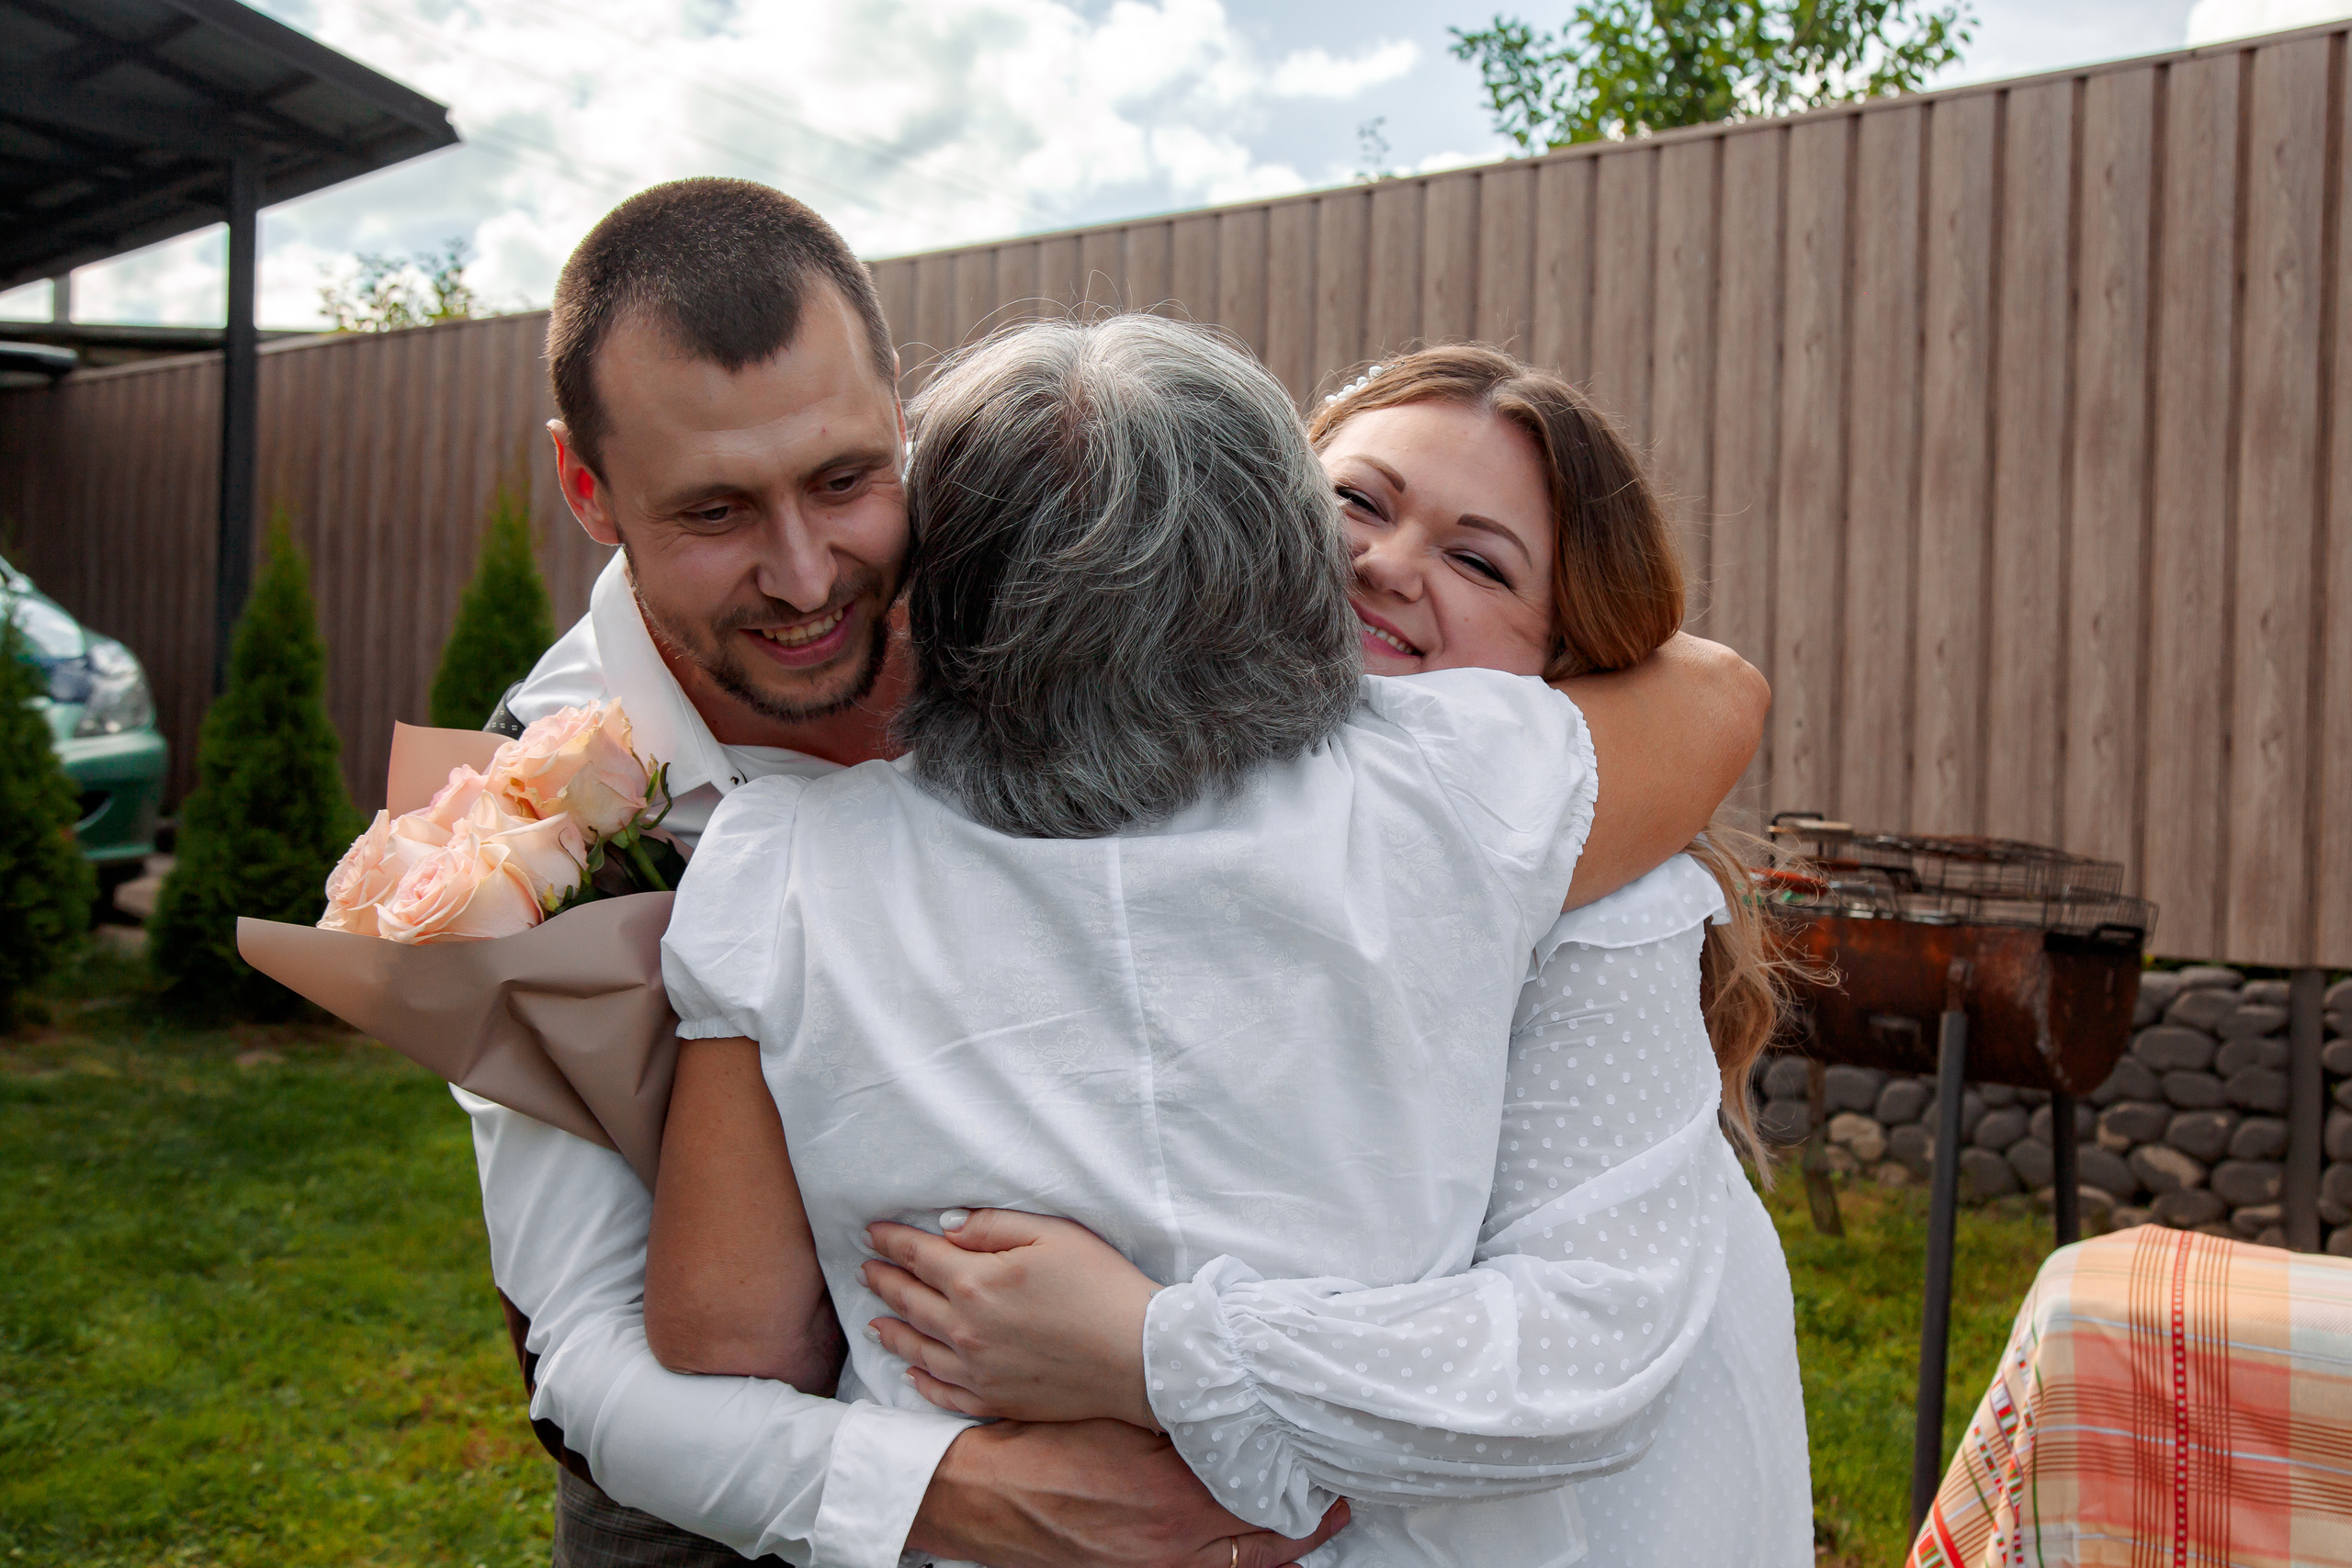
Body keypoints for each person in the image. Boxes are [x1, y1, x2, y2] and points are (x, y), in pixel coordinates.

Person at [470, 177, 1770, 1568]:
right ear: (588, 490)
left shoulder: (785, 852)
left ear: (905, 432)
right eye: (715, 511)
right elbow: (595, 1345)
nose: (802, 575)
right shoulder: (521, 808)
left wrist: (1148, 1349)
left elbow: (737, 1327)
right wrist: (959, 1487)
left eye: (845, 481)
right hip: (742, 1512)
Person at [855, 347, 1813, 1565]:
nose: (1386, 565)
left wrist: (1146, 1350)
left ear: (1565, 665)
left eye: (1479, 561)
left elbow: (1580, 1347)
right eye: (1355, 500)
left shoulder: (1577, 891)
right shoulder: (1109, 780)